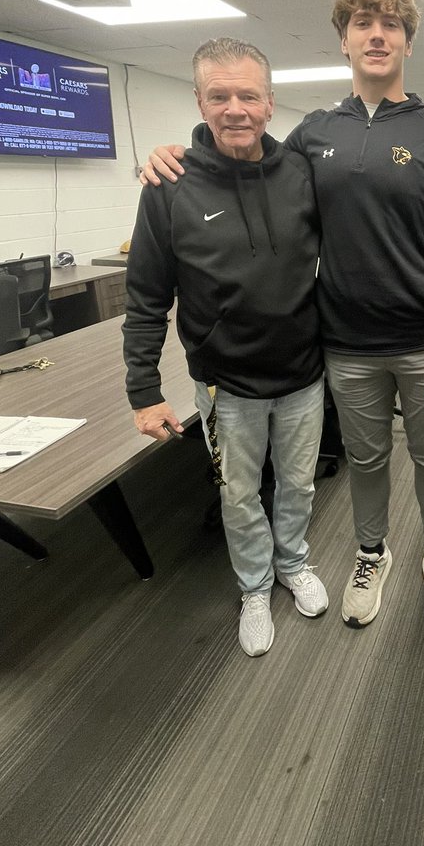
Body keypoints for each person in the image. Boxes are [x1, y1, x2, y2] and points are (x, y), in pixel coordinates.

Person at [142, 0, 424, 635]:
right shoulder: (312, 136)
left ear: (408, 39)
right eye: (363, 23)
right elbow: (245, 162)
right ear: (345, 39)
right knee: (367, 460)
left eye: (389, 24)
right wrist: (173, 152)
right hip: (345, 346)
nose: (376, 34)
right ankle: (371, 554)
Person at [123, 38, 328, 658]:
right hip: (224, 385)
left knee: (297, 485)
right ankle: (255, 587)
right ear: (200, 102)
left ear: (270, 102)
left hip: (302, 373)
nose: (234, 108)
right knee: (238, 496)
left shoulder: (301, 172)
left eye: (248, 95)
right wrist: (142, 390)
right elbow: (146, 295)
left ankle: (293, 564)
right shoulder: (169, 183)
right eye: (219, 95)